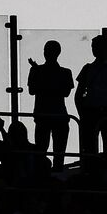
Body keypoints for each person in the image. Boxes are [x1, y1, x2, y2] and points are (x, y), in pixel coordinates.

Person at [74, 35, 107, 177]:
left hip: (95, 112)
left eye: (96, 47)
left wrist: (82, 114)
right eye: (93, 47)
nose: (94, 50)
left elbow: (78, 96)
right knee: (105, 147)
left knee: (95, 148)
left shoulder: (89, 69)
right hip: (103, 112)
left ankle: (93, 175)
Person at [27, 41, 73, 172]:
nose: (46, 53)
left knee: (46, 151)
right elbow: (64, 92)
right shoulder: (64, 72)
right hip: (55, 115)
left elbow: (65, 92)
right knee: (53, 152)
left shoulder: (38, 70)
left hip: (46, 115)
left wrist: (41, 76)